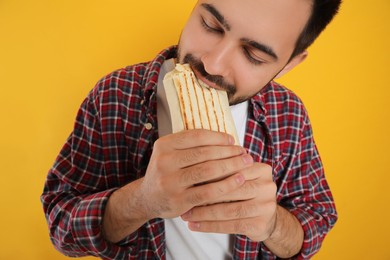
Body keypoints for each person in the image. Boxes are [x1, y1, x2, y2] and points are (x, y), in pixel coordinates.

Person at [41, 0, 341, 259]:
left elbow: (315, 223)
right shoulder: (114, 95)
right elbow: (61, 224)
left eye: (254, 55)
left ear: (289, 64)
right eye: (210, 25)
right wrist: (142, 200)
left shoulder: (288, 114)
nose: (213, 64)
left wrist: (273, 224)